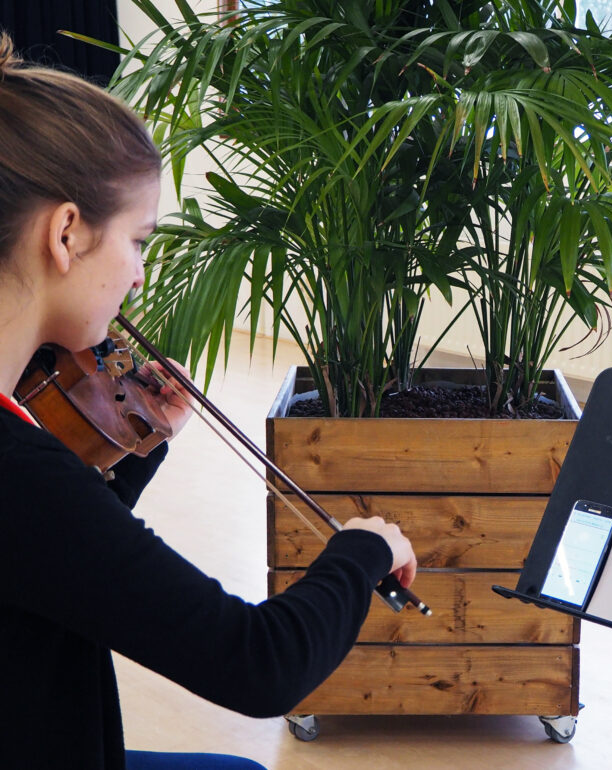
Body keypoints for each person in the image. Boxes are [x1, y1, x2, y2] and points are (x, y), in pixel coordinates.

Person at [0, 32, 418, 769]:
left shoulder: (27, 471)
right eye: (138, 240)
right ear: (65, 233)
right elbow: (260, 664)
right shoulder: (20, 473)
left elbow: (56, 556)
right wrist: (362, 552)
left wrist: (136, 450)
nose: (138, 276)